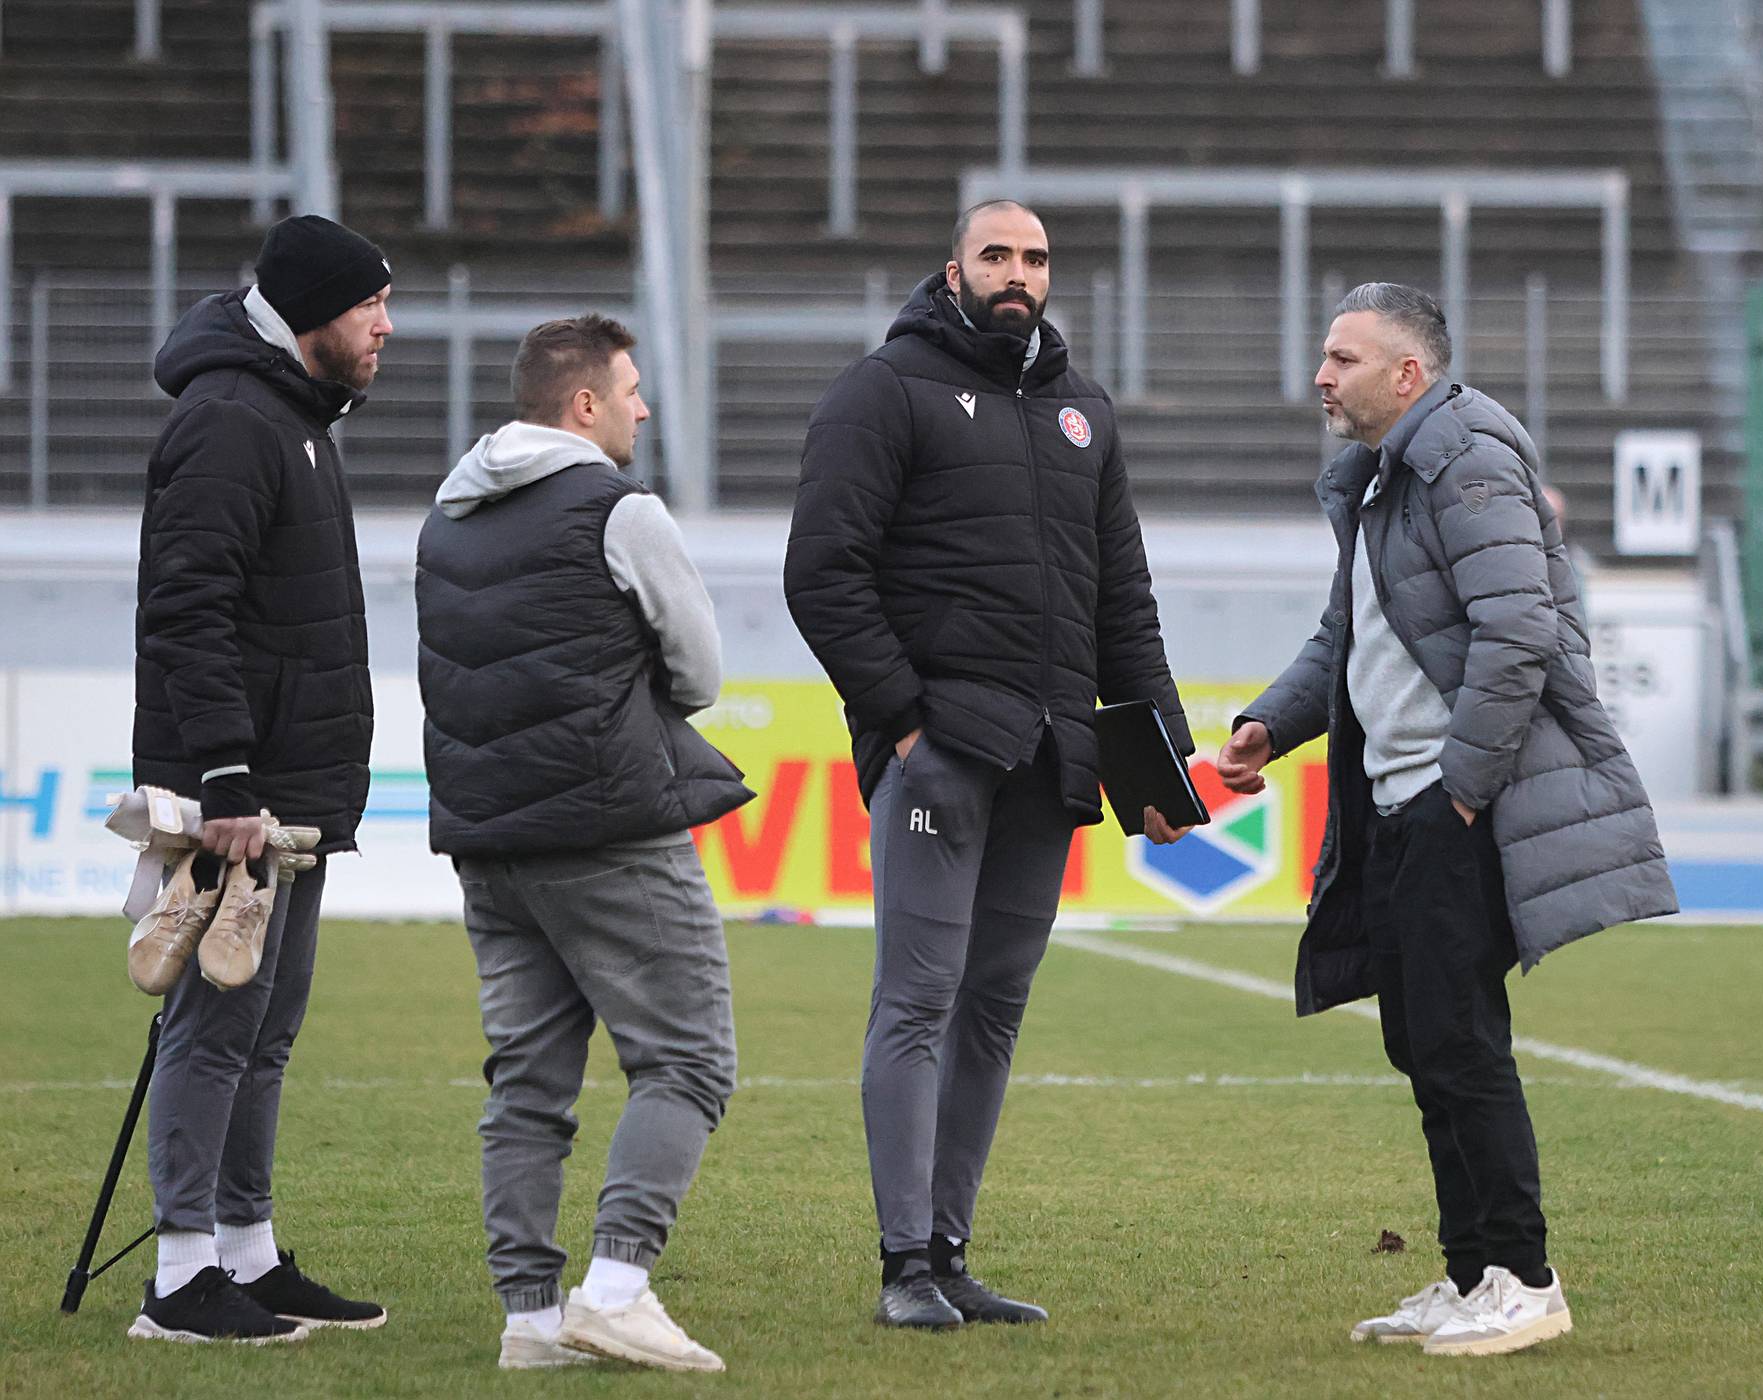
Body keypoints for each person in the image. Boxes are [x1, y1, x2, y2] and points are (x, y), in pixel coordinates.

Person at [1216, 283, 1676, 1357]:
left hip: (1452, 801)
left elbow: (1519, 633)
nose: (1321, 376)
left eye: (1343, 358)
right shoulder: (1384, 476)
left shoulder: (1466, 458)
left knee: (1461, 1042)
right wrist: (1266, 726)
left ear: (1407, 374)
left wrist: (1462, 789)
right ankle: (1472, 1274)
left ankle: (1525, 1279)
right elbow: (1346, 637)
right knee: (1424, 1041)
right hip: (1398, 801)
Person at [785, 199, 1194, 1330]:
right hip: (944, 755)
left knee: (993, 1009)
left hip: (1052, 760)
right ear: (953, 268)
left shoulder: (1083, 408)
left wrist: (1160, 763)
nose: (1020, 273)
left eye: (1037, 258)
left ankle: (950, 1255)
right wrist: (906, 723)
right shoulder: (883, 389)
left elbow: (1123, 601)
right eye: (998, 254)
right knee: (917, 999)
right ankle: (903, 1268)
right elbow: (821, 573)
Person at [416, 315, 752, 1373]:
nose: (645, 410)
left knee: (527, 1082)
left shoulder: (447, 517)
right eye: (633, 390)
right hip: (608, 828)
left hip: (488, 838)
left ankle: (529, 1320)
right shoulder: (619, 508)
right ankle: (614, 1290)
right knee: (688, 1058)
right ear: (585, 403)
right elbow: (699, 671)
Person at [129, 214, 393, 1345]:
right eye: (372, 303)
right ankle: (180, 1274)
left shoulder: (292, 414)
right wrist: (228, 777)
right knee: (215, 1024)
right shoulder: (233, 419)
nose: (387, 326)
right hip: (243, 794)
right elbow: (187, 608)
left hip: (293, 792)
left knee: (266, 1026)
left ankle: (244, 1250)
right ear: (314, 312)